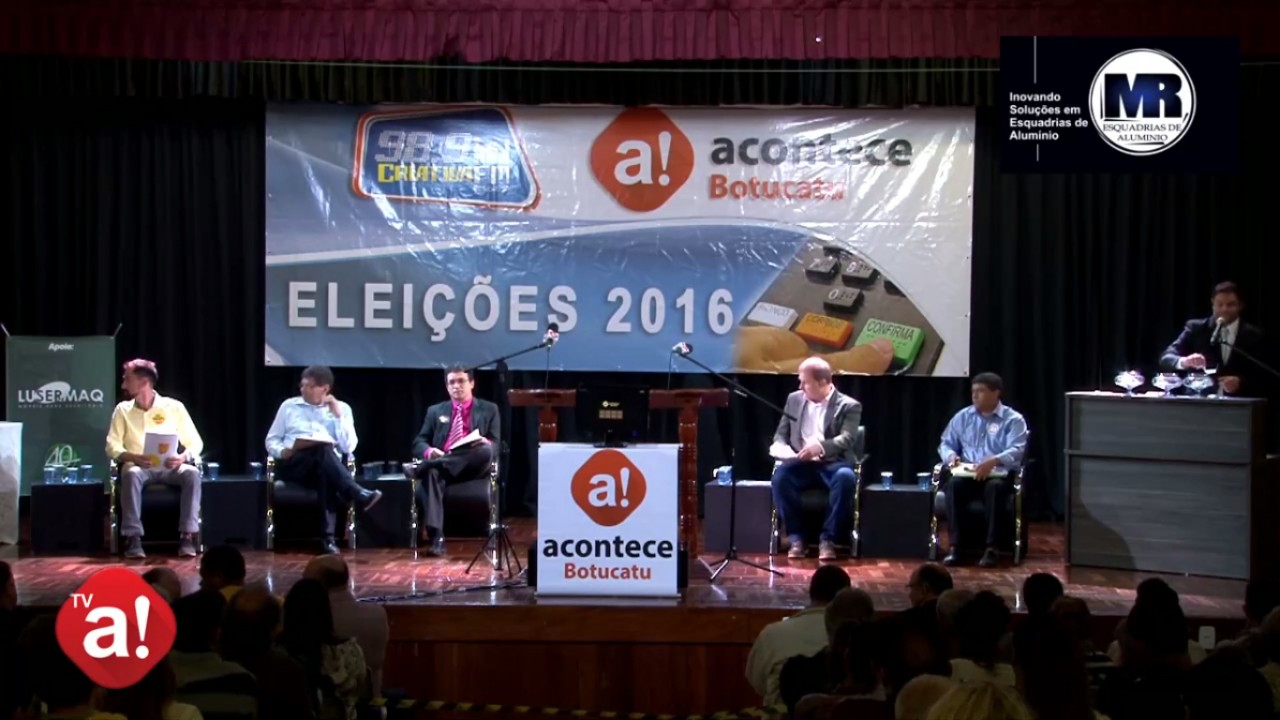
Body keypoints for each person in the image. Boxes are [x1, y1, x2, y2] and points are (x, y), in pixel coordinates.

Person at [266, 365, 381, 555]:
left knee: (324, 468)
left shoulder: (342, 409)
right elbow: (271, 440)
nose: (302, 389)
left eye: (309, 386)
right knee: (323, 451)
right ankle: (356, 492)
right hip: (294, 465)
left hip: (324, 468)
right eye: (302, 386)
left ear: (325, 389)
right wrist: (282, 451)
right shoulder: (289, 406)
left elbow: (348, 447)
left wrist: (338, 417)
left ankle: (327, 540)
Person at [105, 358, 204, 559]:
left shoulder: (173, 407)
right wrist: (132, 456)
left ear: (143, 382)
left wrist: (182, 456)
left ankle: (187, 534)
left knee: (192, 473)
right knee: (131, 474)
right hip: (139, 467)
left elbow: (196, 443)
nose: (123, 384)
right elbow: (112, 445)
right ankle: (133, 538)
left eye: (127, 380)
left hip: (170, 467)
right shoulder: (122, 410)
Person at [769, 356, 862, 561]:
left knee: (846, 478)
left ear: (823, 383)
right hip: (800, 463)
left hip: (832, 463)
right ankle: (796, 538)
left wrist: (819, 448)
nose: (800, 386)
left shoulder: (849, 405)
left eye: (805, 382)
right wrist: (781, 447)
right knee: (780, 478)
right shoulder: (794, 399)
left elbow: (847, 439)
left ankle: (828, 539)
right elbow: (780, 434)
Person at [937, 372, 1028, 568]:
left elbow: (1017, 450)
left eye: (981, 391)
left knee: (994, 488)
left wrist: (994, 460)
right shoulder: (963, 417)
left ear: (996, 393)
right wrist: (951, 456)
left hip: (998, 475)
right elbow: (945, 444)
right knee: (953, 486)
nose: (975, 395)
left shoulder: (1013, 420)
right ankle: (955, 547)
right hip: (968, 473)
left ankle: (992, 548)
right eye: (973, 391)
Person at [409, 365, 499, 556]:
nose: (456, 386)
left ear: (472, 383)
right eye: (452, 382)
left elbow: (498, 444)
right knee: (432, 472)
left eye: (461, 381)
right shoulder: (435, 411)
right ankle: (437, 538)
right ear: (446, 386)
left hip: (474, 465)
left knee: (485, 450)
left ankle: (425, 466)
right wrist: (429, 451)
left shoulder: (489, 409)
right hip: (445, 467)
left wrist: (487, 442)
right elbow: (419, 442)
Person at [1160, 281, 1267, 397]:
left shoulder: (1253, 335)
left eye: (1230, 305)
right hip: (1200, 403)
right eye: (1219, 304)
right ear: (1212, 303)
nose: (1224, 309)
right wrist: (1184, 361)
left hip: (1240, 405)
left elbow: (1262, 375)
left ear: (1240, 306)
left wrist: (1241, 382)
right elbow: (1166, 358)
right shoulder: (1196, 329)